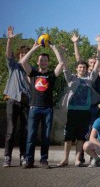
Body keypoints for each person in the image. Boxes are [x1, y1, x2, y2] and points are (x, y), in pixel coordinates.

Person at [57, 36, 100, 167]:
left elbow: (98, 62)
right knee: (68, 137)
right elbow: (64, 67)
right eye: (80, 67)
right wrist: (62, 53)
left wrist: (99, 44)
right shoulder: (71, 78)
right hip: (72, 111)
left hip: (85, 112)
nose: (82, 69)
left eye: (84, 67)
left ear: (86, 69)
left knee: (81, 137)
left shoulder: (90, 78)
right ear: (77, 69)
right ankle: (65, 159)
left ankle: (77, 159)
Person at [21, 41, 64, 169]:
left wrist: (53, 48)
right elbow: (23, 62)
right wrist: (34, 48)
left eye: (45, 60)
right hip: (34, 108)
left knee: (45, 137)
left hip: (47, 109)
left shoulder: (51, 75)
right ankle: (29, 160)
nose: (43, 62)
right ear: (38, 62)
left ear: (48, 63)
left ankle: (44, 160)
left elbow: (61, 64)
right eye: (41, 60)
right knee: (31, 136)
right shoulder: (33, 73)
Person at [3, 26, 31, 167]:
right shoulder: (13, 66)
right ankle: (7, 157)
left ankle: (23, 156)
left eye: (26, 54)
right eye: (22, 54)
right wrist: (9, 40)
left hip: (26, 103)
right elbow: (8, 54)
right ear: (19, 55)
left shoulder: (30, 69)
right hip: (13, 101)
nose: (23, 56)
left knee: (24, 131)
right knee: (11, 129)